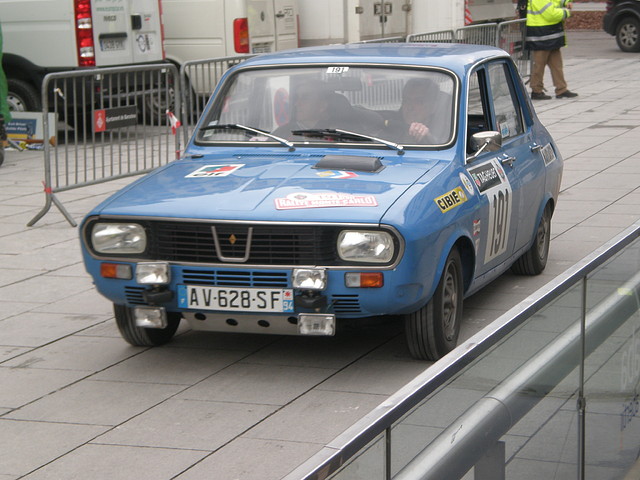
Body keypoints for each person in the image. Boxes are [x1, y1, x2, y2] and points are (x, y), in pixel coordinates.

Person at [526, 0, 578, 100]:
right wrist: (566, 12)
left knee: (557, 64)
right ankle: (536, 90)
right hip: (541, 35)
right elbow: (550, 14)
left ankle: (561, 89)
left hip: (549, 34)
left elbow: (556, 1)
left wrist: (565, 2)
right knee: (539, 65)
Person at [382, 78, 438, 144]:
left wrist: (428, 137)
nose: (410, 107)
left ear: (433, 107)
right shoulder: (391, 126)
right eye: (406, 100)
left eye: (419, 101)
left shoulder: (445, 132)